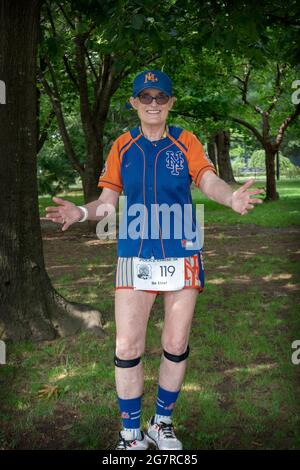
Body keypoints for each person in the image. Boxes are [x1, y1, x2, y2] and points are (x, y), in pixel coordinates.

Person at [45, 70, 264, 450]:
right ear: (134, 103)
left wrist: (230, 198)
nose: (152, 103)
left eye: (160, 97)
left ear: (170, 103)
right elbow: (107, 203)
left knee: (175, 342)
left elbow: (208, 179)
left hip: (182, 251)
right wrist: (80, 213)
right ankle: (130, 434)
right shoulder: (122, 146)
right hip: (135, 252)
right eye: (145, 97)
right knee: (127, 346)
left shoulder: (186, 141)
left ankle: (161, 423)